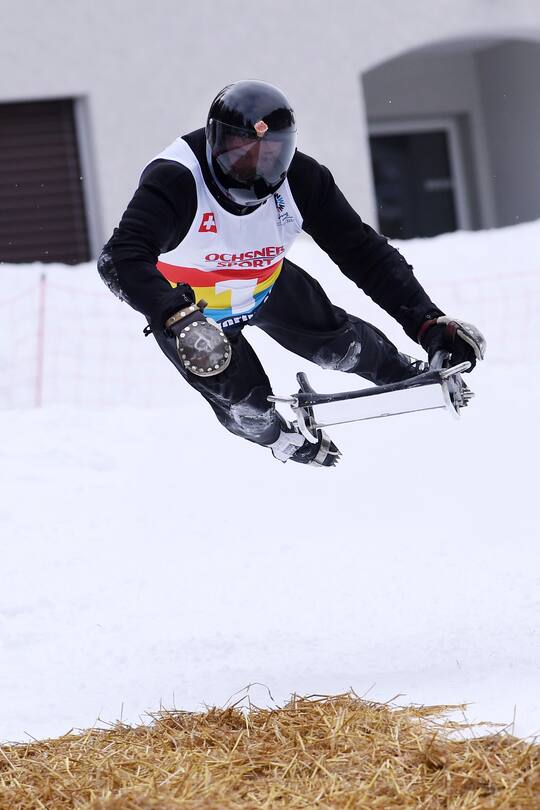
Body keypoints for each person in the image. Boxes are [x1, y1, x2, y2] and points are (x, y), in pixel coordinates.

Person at [98, 79, 485, 468]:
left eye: (270, 154)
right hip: (193, 316)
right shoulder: (177, 179)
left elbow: (364, 253)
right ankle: (276, 437)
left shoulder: (303, 178)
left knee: (342, 349)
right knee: (247, 406)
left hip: (266, 286)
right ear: (214, 142)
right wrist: (176, 315)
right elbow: (119, 257)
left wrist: (426, 322)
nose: (255, 167)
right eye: (241, 152)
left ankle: (400, 370)